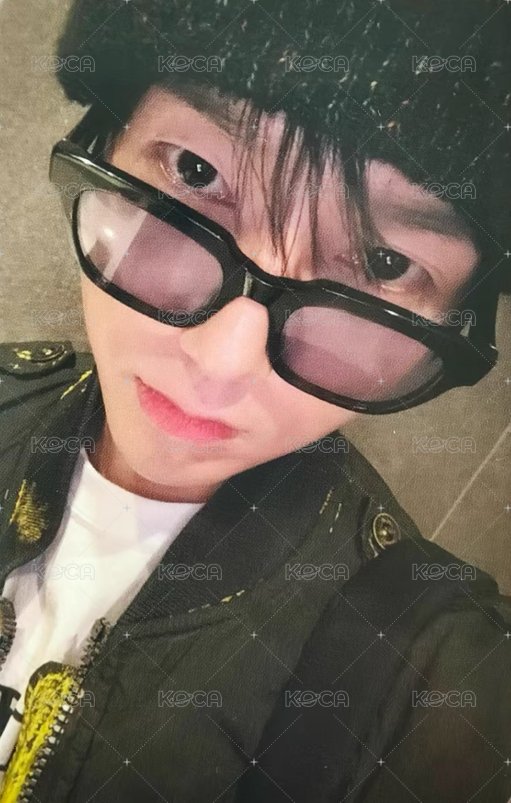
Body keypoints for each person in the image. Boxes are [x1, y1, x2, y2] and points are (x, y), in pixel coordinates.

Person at [0, 0, 509, 801]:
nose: (221, 360)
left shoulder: (416, 665)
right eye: (195, 171)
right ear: (104, 142)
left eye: (381, 264)